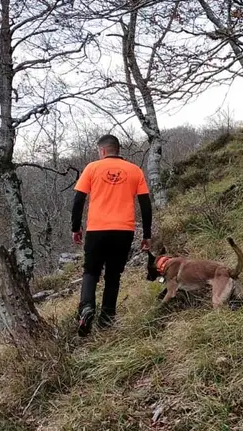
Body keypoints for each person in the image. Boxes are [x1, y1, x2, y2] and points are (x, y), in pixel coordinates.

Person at [71, 134, 152, 337]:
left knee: (90, 272)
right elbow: (145, 205)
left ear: (103, 151)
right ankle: (107, 320)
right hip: (123, 231)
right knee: (113, 275)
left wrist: (75, 228)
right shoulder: (135, 171)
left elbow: (78, 199)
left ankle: (87, 307)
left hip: (97, 229)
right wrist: (147, 235)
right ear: (118, 150)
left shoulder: (92, 168)